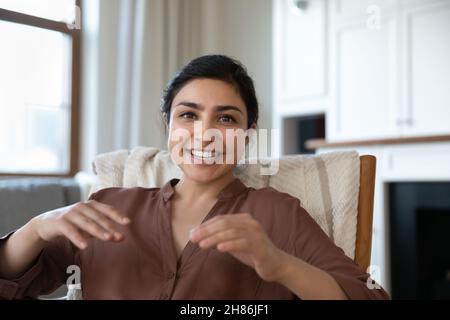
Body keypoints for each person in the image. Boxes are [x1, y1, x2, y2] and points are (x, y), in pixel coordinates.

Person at [0, 55, 389, 300]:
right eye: (188, 114)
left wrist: (281, 266)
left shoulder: (277, 213)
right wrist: (35, 228)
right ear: (168, 125)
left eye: (226, 118)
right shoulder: (109, 205)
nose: (204, 133)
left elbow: (367, 295)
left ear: (248, 134)